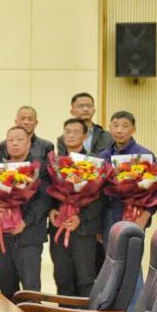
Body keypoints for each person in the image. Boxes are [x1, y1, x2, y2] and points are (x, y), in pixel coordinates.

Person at [0, 126, 51, 300]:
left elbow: (45, 199)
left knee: (30, 289)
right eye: (10, 140)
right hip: (2, 237)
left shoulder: (39, 168)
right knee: (7, 288)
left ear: (28, 143)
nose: (14, 143)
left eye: (19, 139)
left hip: (29, 236)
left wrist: (24, 222)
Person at [48, 119, 104, 296]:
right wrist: (51, 210)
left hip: (83, 230)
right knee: (62, 278)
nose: (70, 135)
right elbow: (48, 191)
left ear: (85, 136)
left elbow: (101, 199)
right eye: (67, 131)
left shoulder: (94, 163)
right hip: (59, 227)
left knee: (85, 279)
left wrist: (81, 217)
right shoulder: (56, 162)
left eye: (76, 132)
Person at [98, 111, 155, 237]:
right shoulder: (103, 156)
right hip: (108, 216)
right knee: (110, 249)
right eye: (115, 125)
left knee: (132, 248)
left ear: (133, 129)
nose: (119, 130)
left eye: (125, 126)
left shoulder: (144, 155)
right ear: (110, 128)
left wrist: (146, 215)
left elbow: (156, 189)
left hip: (136, 214)